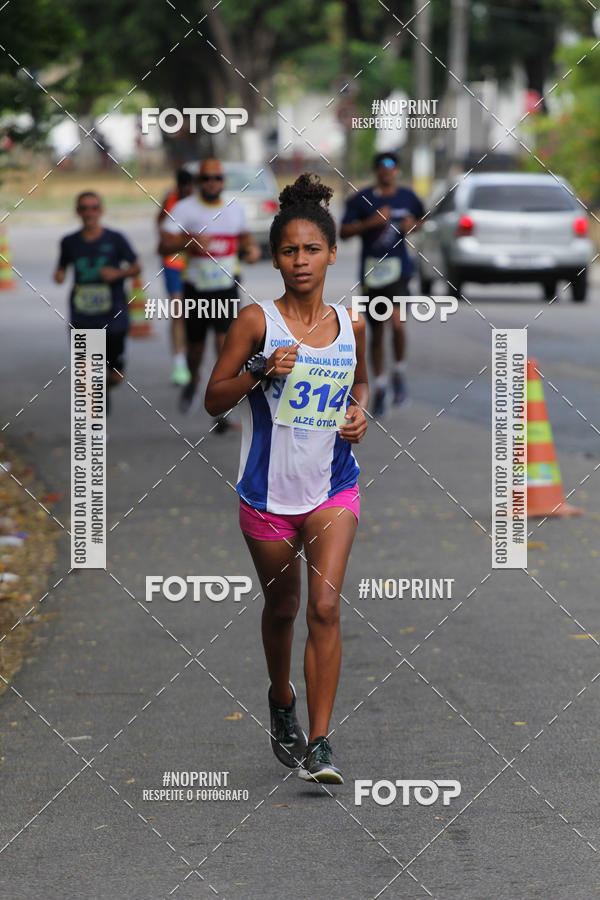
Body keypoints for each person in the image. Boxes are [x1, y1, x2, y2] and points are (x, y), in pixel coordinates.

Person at [204, 173, 368, 784]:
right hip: (266, 497)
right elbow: (213, 401)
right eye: (289, 251)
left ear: (331, 253)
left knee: (324, 608)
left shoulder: (351, 325)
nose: (301, 261)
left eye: (312, 249)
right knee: (284, 607)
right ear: (275, 258)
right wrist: (259, 370)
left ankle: (321, 743)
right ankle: (281, 700)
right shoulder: (256, 322)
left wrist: (359, 417)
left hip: (333, 488)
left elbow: (360, 386)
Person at [158, 158, 261, 429]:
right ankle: (193, 381)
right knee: (196, 349)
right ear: (198, 181)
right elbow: (163, 245)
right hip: (196, 289)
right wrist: (187, 241)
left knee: (225, 346)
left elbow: (245, 238)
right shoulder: (185, 208)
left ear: (223, 181)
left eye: (216, 178)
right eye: (206, 179)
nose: (212, 183)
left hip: (226, 289)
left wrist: (251, 250)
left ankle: (221, 408)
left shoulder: (234, 209)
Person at [340, 151, 424, 415]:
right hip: (372, 273)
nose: (387, 171)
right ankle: (380, 385)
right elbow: (343, 232)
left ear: (397, 171)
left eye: (392, 166)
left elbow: (422, 218)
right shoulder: (361, 199)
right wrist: (370, 223)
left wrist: (414, 224)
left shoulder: (408, 197)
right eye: (382, 166)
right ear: (375, 170)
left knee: (397, 323)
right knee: (376, 333)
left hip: (399, 271)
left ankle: (399, 371)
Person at [54, 191, 140, 414]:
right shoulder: (69, 242)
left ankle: (102, 389)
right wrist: (59, 275)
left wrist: (118, 274)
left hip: (113, 317)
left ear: (101, 211)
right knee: (88, 375)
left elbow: (137, 266)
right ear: (77, 212)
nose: (89, 213)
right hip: (82, 315)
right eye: (84, 208)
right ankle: (96, 427)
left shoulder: (115, 239)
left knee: (115, 377)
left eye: (94, 207)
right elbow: (61, 269)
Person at [157, 168, 195, 386]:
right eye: (184, 188)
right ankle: (180, 364)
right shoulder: (169, 201)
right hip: (174, 262)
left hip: (197, 265)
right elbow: (161, 228)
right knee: (178, 311)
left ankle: (192, 360)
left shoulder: (201, 204)